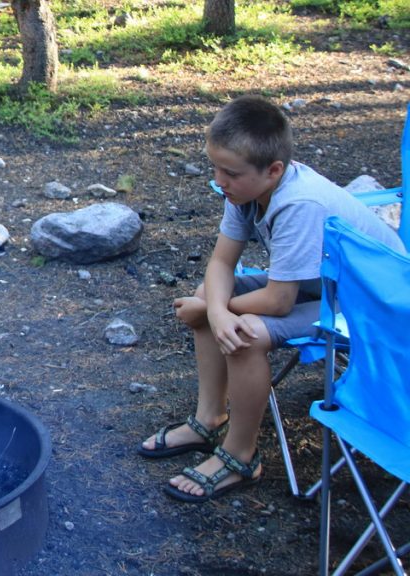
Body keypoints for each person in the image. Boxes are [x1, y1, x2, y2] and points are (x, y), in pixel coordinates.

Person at [138, 95, 405, 502]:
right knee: (207, 296)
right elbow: (221, 263)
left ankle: (241, 456)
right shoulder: (245, 191)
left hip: (369, 306)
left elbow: (279, 302)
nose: (219, 180)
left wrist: (215, 312)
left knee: (244, 333)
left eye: (229, 172)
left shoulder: (299, 204)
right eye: (215, 168)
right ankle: (210, 418)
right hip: (321, 284)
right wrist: (211, 306)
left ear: (273, 170)